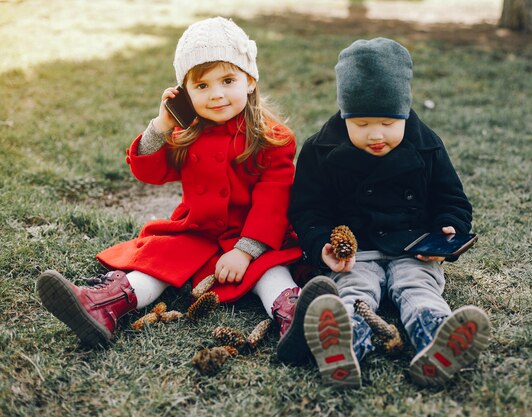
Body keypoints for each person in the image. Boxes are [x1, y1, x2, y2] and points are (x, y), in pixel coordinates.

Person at [36, 17, 337, 364]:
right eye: (202, 86)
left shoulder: (272, 138)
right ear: (184, 92)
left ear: (250, 80)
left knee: (272, 273)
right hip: (198, 233)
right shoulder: (185, 133)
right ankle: (102, 306)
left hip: (255, 239)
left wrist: (246, 250)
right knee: (157, 263)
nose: (217, 94)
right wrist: (161, 125)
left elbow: (275, 198)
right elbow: (148, 170)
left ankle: (295, 319)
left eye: (228, 80)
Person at [289, 38, 491, 388]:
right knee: (353, 293)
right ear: (344, 114)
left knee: (418, 289)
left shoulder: (427, 145)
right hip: (356, 255)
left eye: (387, 122)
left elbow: (452, 199)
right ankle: (343, 347)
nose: (376, 134)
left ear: (405, 112)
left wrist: (448, 229)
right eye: (362, 123)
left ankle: (439, 341)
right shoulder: (320, 150)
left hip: (414, 247)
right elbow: (308, 209)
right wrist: (322, 243)